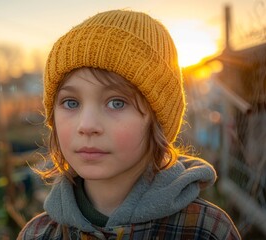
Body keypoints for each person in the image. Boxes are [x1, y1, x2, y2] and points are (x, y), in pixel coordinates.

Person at [18, 9, 241, 239]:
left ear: (157, 119)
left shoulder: (205, 230)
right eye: (71, 102)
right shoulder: (38, 234)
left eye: (116, 103)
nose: (86, 125)